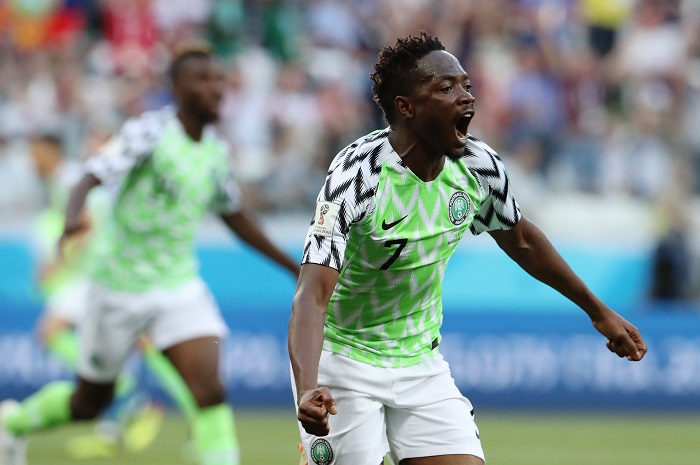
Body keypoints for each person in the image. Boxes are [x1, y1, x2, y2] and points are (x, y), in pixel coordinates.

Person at [288, 32, 647, 465]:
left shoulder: (478, 168)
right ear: (406, 107)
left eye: (467, 86)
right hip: (342, 361)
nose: (466, 98)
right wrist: (308, 385)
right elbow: (312, 293)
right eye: (446, 88)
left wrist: (597, 310)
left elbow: (522, 239)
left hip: (420, 360)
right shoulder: (357, 176)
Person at [0, 43, 300, 465]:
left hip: (177, 285)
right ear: (178, 89)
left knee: (209, 390)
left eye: (219, 79)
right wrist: (73, 216)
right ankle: (14, 423)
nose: (217, 88)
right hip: (117, 287)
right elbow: (92, 174)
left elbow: (235, 216)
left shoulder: (215, 151)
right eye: (204, 80)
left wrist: (294, 267)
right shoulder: (150, 132)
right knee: (89, 403)